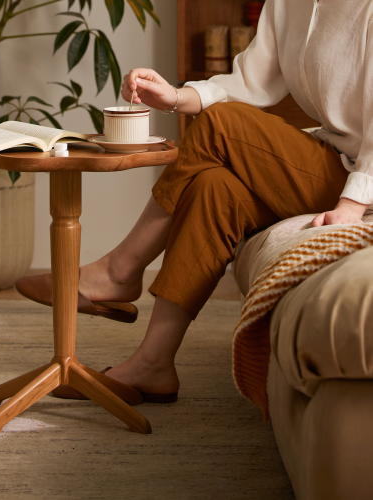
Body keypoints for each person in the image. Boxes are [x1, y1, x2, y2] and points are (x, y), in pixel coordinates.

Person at [18, 0, 373, 401]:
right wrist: (172, 96)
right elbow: (251, 81)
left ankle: (120, 270)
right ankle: (153, 364)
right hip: (336, 157)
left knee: (221, 122)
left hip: (363, 179)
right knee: (214, 189)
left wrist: (354, 204)